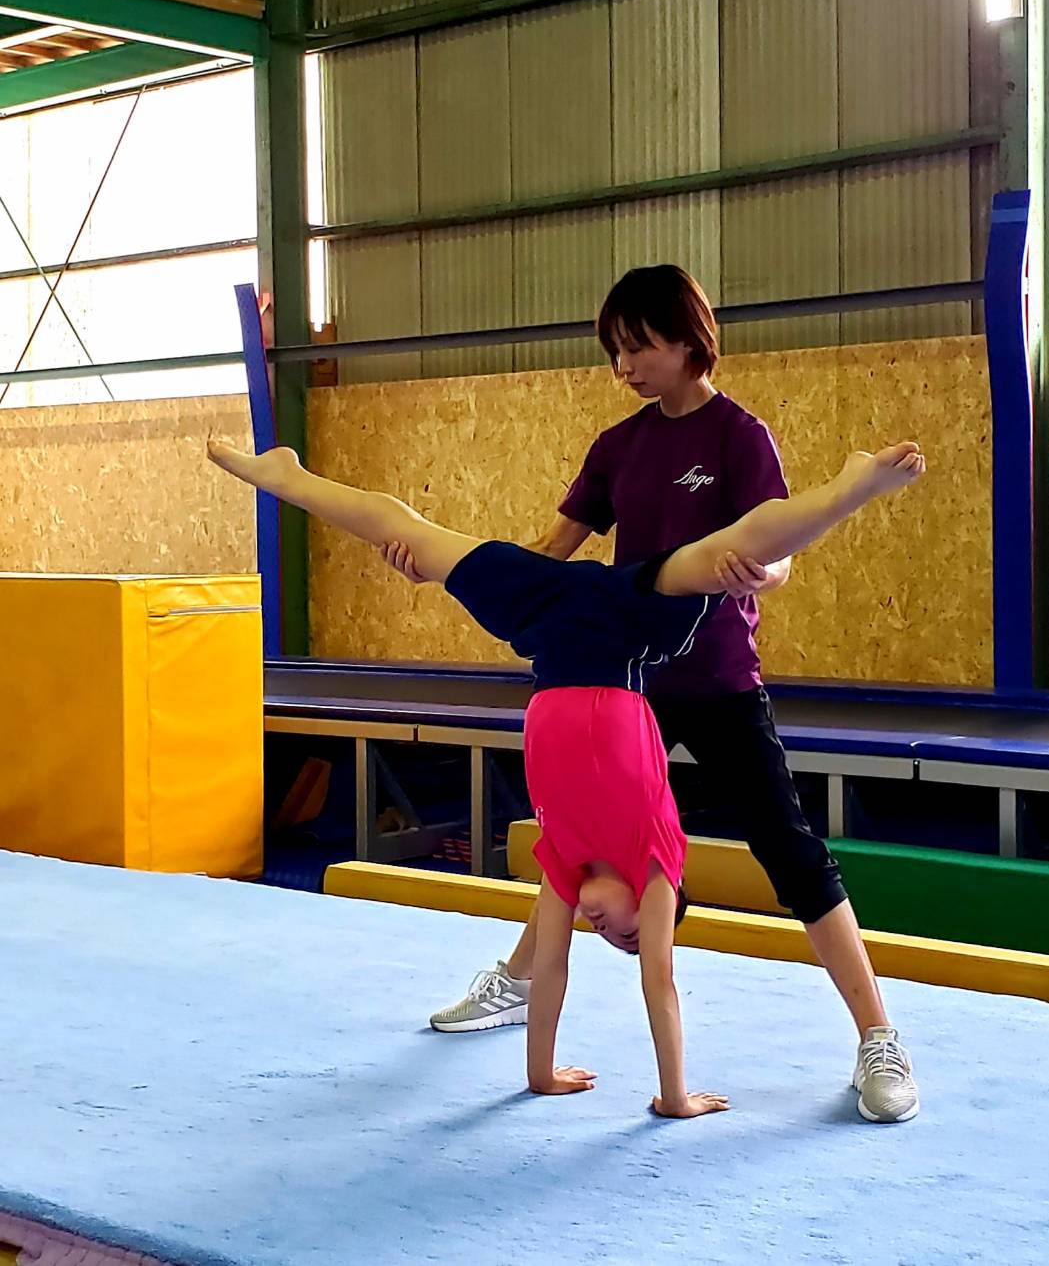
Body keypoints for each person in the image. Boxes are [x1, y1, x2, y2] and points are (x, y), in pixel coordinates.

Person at [206, 432, 924, 1118]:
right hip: (628, 624)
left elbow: (551, 969)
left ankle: (288, 480)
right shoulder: (656, 864)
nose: (605, 929)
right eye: (630, 935)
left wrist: (540, 1076)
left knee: (410, 533)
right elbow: (660, 984)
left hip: (550, 622)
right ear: (655, 908)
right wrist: (675, 1095)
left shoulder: (563, 867)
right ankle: (849, 488)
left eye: (609, 939)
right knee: (723, 555)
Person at [402, 265, 922, 1124]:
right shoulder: (617, 446)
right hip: (623, 686)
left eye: (638, 347)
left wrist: (766, 571)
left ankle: (877, 1035)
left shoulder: (738, 436)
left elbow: (779, 545)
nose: (624, 366)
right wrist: (446, 571)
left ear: (688, 340)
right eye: (615, 351)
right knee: (573, 844)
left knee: (790, 851)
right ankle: (518, 982)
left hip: (716, 678)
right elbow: (549, 552)